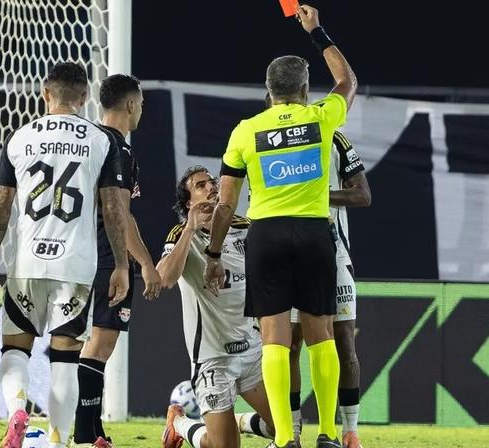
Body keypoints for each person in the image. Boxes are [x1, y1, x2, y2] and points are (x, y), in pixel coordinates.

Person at [203, 5, 358, 448]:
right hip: (313, 234)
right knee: (320, 334)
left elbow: (226, 204)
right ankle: (328, 434)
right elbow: (348, 83)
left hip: (266, 237)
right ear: (306, 90)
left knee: (274, 338)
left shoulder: (244, 131)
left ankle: (287, 437)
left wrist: (214, 256)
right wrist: (317, 31)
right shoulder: (320, 118)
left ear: (268, 92)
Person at [0, 61, 130, 448]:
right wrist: (122, 265)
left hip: (27, 261)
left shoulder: (19, 138)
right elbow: (113, 209)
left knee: (15, 348)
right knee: (64, 358)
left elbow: (1, 207)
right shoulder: (102, 140)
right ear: (84, 96)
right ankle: (59, 442)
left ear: (46, 93)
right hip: (75, 265)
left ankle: (16, 411)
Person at [73, 74, 162, 448]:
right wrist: (144, 262)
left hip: (74, 253)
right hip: (107, 255)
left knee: (80, 343)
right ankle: (85, 431)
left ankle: (91, 430)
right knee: (101, 342)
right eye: (140, 103)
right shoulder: (118, 149)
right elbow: (121, 214)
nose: (141, 110)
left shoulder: (88, 142)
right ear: (129, 105)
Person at [157, 166, 274, 448]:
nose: (211, 187)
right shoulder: (182, 234)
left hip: (251, 350)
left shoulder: (243, 226)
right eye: (200, 185)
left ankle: (236, 422)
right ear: (189, 203)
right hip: (213, 359)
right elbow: (164, 278)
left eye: (212, 182)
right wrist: (189, 228)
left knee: (287, 428)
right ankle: (180, 424)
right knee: (223, 446)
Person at [287, 129, 371, 448]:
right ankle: (292, 433)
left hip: (335, 253)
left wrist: (317, 197)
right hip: (287, 254)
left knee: (343, 340)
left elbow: (363, 195)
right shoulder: (261, 137)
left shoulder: (332, 138)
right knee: (289, 345)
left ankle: (349, 431)